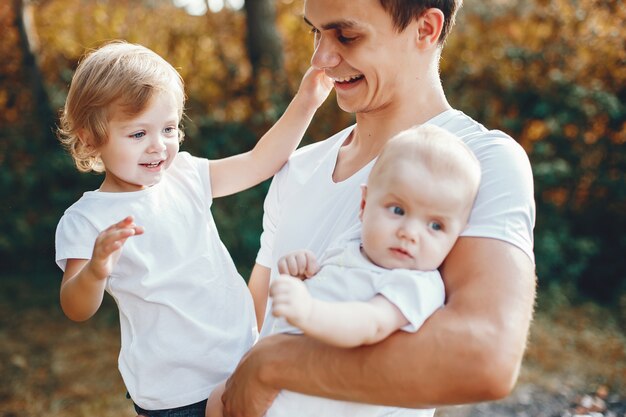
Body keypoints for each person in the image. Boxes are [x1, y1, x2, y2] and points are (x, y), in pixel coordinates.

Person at [220, 0, 537, 416]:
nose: (321, 58)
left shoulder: (482, 160)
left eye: (346, 35)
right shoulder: (299, 167)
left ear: (425, 29)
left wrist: (269, 368)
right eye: (314, 32)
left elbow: (484, 358)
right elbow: (254, 328)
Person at [54, 41, 331, 417]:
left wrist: (306, 101)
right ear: (90, 137)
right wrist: (96, 270)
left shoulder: (185, 175)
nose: (158, 146)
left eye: (168, 128)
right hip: (175, 395)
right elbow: (75, 307)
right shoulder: (87, 219)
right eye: (138, 134)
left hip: (240, 359)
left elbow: (258, 162)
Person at [207, 124, 482, 417]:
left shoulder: (416, 285)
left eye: (435, 225)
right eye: (398, 211)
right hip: (284, 391)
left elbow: (370, 322)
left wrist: (309, 311)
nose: (410, 233)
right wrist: (303, 273)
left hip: (329, 404)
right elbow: (328, 284)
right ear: (364, 204)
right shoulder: (352, 244)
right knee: (217, 398)